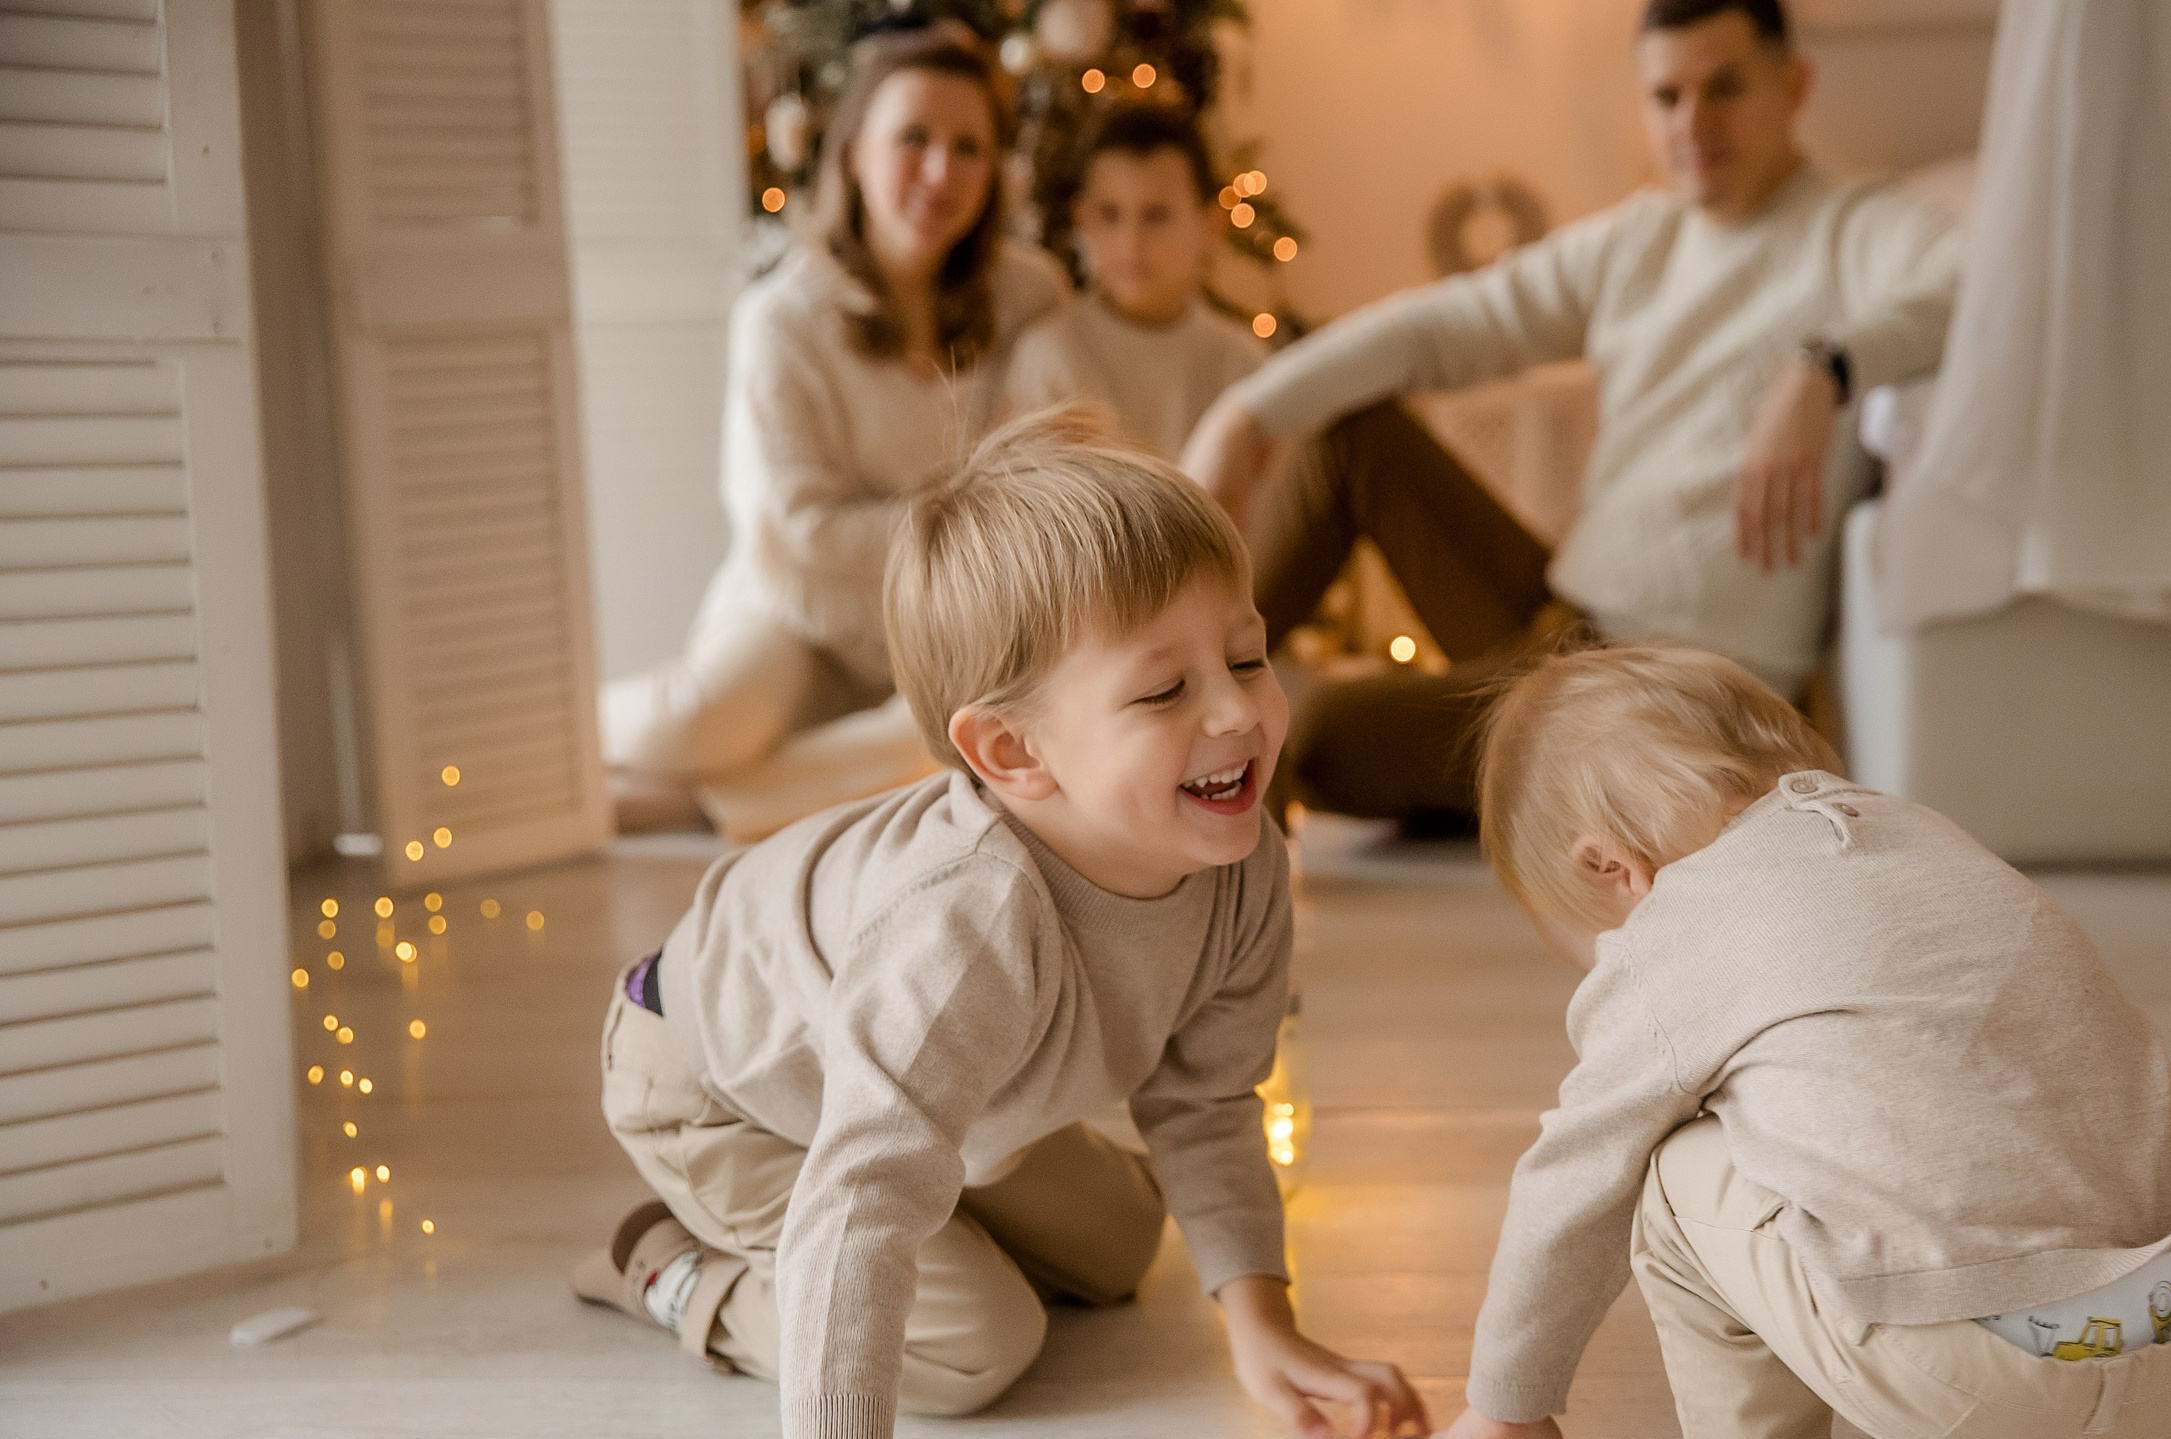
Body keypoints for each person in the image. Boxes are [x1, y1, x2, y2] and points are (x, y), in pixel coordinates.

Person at [571, 411, 1425, 1439]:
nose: (1238, 714)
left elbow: (1202, 1093)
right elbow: (862, 1202)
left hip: (918, 1088)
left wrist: (1262, 1320)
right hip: (724, 1087)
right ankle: (667, 1263)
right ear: (1011, 752)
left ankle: (937, 1176)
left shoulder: (1239, 855)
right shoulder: (965, 927)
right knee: (979, 1344)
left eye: (1248, 656)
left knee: (1121, 1246)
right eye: (1162, 689)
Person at [1396, 645, 2171, 1439]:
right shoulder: (1919, 835)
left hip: (1988, 1373)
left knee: (1668, 1162)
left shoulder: (1675, 926)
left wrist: (1506, 1398)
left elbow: (1569, 1183)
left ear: (1610, 867)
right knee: (2005, 1087)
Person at [1180, 0, 1962, 824]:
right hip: (1564, 625)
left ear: (1794, 85)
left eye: (1725, 88)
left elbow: (1974, 283)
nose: (1694, 121)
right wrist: (1246, 412)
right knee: (1352, 439)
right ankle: (1171, 689)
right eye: (1667, 96)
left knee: (1312, 735)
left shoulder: (1857, 230)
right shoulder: (1644, 241)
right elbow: (1441, 325)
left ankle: (1202, 745)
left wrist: (1825, 367)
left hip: (1670, 697)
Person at [600, 23, 1068, 841]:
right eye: (912, 138)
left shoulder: (1032, 296)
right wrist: (965, 525)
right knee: (697, 723)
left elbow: (1054, 462)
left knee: (960, 735)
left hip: (949, 622)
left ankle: (697, 808)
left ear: (996, 172)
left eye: (969, 148)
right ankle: (546, 750)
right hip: (801, 610)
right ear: (853, 151)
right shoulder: (780, 318)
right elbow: (797, 525)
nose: (939, 171)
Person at [1002, 103, 1267, 460]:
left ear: (1210, 226)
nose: (1132, 242)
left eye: (1156, 216)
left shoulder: (1241, 364)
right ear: (1082, 219)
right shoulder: (1049, 355)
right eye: (1110, 215)